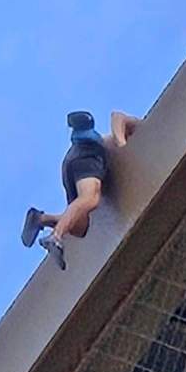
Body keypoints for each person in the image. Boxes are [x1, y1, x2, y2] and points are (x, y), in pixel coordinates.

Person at [20, 110, 140, 270]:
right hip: (87, 156)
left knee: (79, 227)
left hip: (74, 161)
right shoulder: (138, 128)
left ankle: (41, 219)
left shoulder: (97, 140)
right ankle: (55, 237)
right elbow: (117, 116)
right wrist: (121, 143)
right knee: (90, 198)